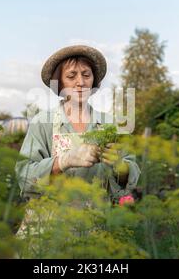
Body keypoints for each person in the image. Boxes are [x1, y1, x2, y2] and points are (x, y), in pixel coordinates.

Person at [14, 45, 141, 204]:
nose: (80, 82)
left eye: (86, 75)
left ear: (93, 80)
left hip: (97, 222)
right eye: (71, 76)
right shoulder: (42, 123)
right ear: (59, 83)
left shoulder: (110, 124)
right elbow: (24, 177)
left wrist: (121, 167)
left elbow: (130, 178)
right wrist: (63, 161)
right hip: (50, 223)